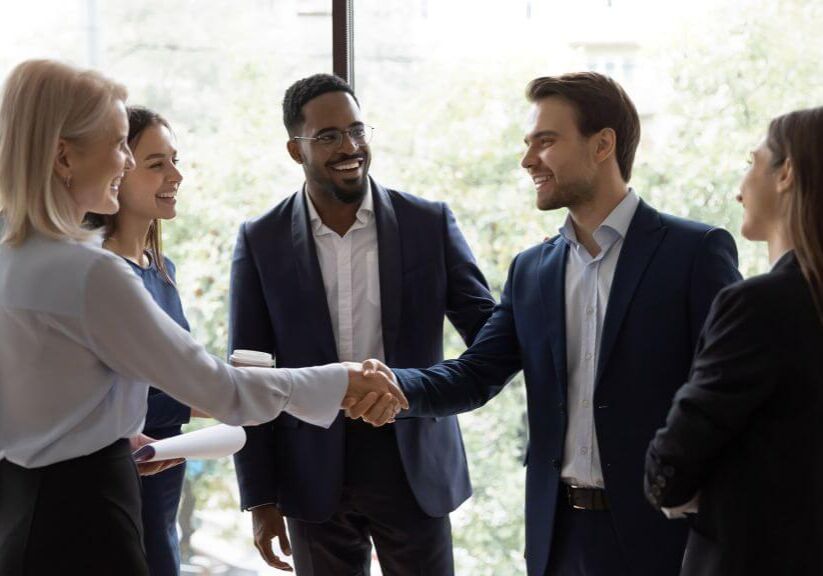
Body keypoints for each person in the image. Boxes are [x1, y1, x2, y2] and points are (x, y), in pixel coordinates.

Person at [0, 59, 405, 576]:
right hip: (86, 517)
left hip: (21, 513)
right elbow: (221, 390)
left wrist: (109, 433)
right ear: (64, 158)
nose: (125, 163)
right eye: (120, 143)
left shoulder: (12, 253)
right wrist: (343, 378)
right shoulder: (89, 272)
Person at [353, 72, 742, 576]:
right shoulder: (532, 270)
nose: (527, 159)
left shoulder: (695, 251)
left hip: (666, 538)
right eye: (527, 143)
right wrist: (395, 386)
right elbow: (475, 374)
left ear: (603, 144)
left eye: (546, 141)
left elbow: (729, 394)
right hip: (558, 538)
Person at [230, 73, 495, 575]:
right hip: (310, 469)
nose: (349, 146)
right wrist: (261, 498)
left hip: (413, 460)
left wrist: (428, 390)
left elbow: (491, 341)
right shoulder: (260, 239)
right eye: (328, 136)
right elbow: (250, 372)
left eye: (357, 130)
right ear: (295, 150)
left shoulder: (429, 223)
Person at [644, 107, 823, 575]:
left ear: (787, 174)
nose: (739, 187)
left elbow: (668, 471)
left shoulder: (758, 305)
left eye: (752, 161)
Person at [87, 105, 204, 576]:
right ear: (117, 172)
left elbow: (172, 371)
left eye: (175, 160)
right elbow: (104, 393)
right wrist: (218, 396)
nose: (175, 175)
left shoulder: (162, 271)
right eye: (157, 164)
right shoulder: (93, 272)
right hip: (111, 487)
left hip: (162, 489)